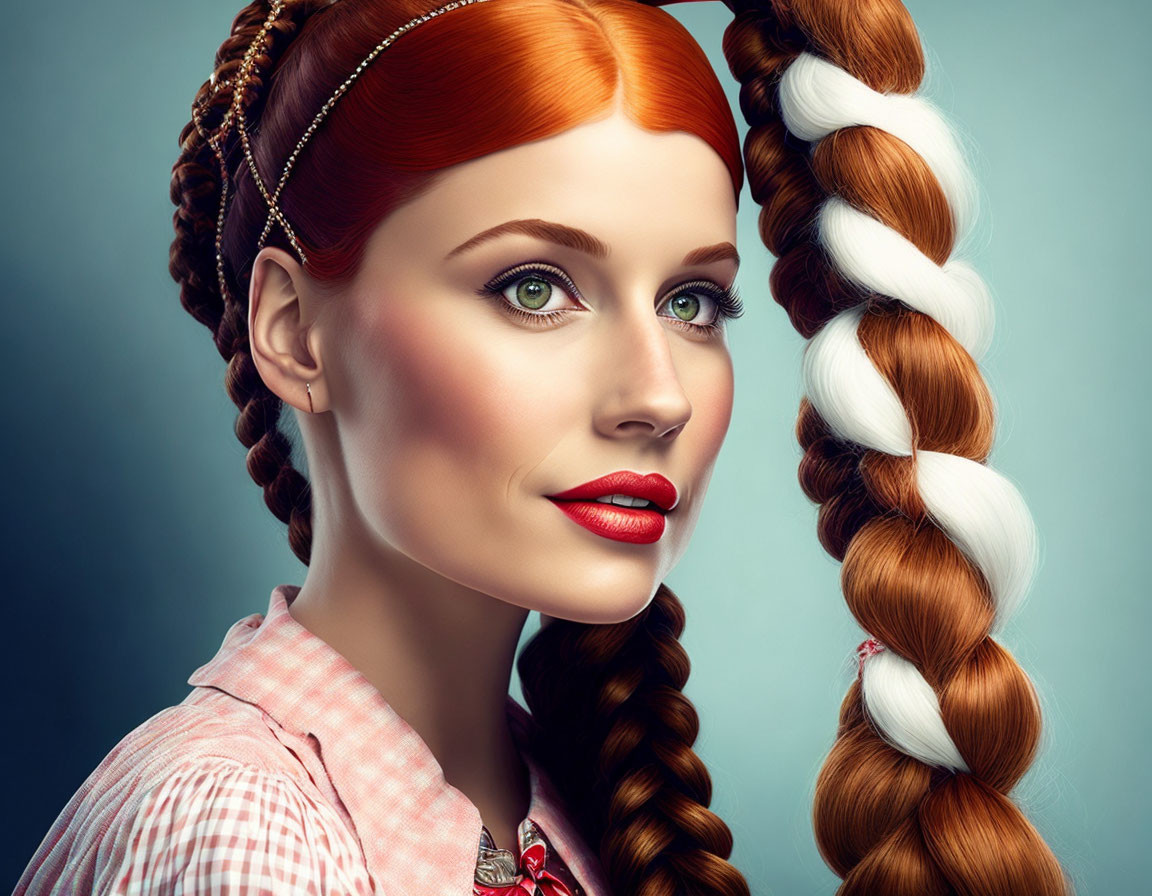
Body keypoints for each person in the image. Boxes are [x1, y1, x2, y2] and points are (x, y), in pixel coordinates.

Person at [16, 0, 1070, 894]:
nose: (658, 394)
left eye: (694, 301)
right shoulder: (240, 832)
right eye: (534, 287)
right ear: (295, 330)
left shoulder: (565, 810)